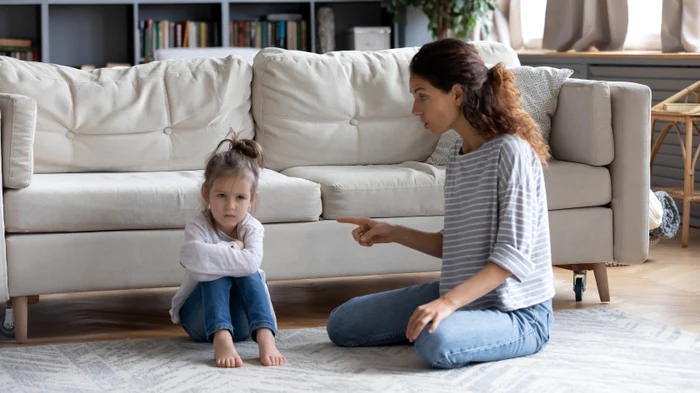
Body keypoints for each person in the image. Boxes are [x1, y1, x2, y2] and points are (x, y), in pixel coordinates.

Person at [326, 38, 555, 369]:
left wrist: (446, 303)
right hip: (467, 297)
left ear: (457, 94)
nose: (415, 109)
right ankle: (457, 321)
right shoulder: (458, 155)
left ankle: (458, 324)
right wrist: (392, 231)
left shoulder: (512, 153)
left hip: (519, 313)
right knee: (343, 324)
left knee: (436, 341)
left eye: (423, 96)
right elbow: (455, 245)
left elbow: (512, 259)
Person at [169, 136, 286, 368]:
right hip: (200, 323)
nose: (230, 206)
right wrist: (234, 247)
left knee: (250, 273)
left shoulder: (252, 228)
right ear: (206, 194)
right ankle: (221, 338)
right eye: (221, 196)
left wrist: (213, 255)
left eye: (240, 197)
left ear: (252, 199)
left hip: (244, 326)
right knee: (214, 274)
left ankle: (265, 337)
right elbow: (189, 256)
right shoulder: (198, 227)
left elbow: (251, 263)